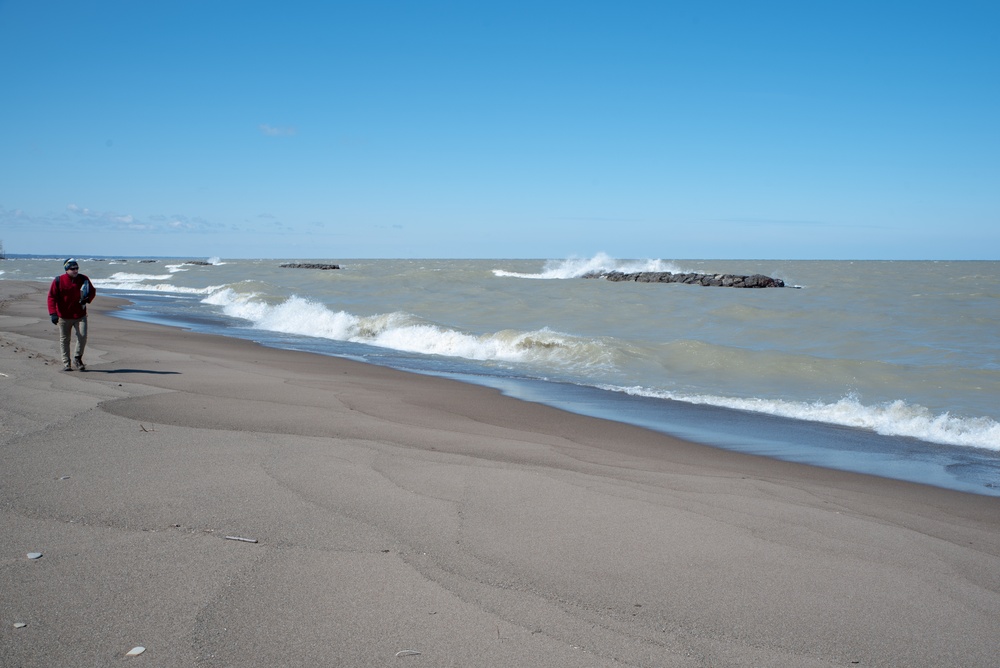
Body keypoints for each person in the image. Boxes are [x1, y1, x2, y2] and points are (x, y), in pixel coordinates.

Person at [47, 258, 96, 371]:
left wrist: (87, 299)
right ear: (66, 270)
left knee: (82, 336)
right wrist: (53, 313)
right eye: (72, 268)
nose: (75, 270)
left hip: (80, 315)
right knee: (65, 339)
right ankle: (66, 363)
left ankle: (77, 358)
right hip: (63, 316)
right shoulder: (58, 280)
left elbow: (92, 291)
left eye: (76, 268)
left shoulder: (84, 279)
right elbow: (51, 297)